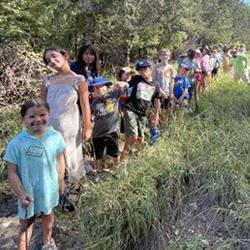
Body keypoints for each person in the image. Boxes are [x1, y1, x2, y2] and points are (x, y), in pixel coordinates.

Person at [3, 98, 66, 250]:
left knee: (48, 214)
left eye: (42, 115)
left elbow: (60, 157)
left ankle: (47, 242)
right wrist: (21, 195)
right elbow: (11, 172)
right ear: (23, 119)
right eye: (32, 116)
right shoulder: (17, 143)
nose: (37, 120)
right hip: (27, 193)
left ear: (49, 115)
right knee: (26, 224)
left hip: (48, 188)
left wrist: (60, 180)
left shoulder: (55, 137)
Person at [41, 46, 91, 202]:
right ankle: (56, 185)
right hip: (50, 123)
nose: (52, 61)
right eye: (48, 60)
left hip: (70, 123)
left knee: (71, 153)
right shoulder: (47, 79)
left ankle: (74, 186)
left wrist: (87, 128)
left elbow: (85, 105)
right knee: (52, 154)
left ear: (65, 55)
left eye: (54, 56)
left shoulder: (78, 79)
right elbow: (42, 104)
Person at [121, 59, 161, 162]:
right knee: (133, 137)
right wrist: (123, 82)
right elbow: (126, 84)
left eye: (144, 69)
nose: (142, 72)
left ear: (150, 69)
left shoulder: (155, 84)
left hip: (142, 113)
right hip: (130, 109)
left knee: (140, 138)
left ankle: (139, 157)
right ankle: (121, 161)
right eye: (140, 70)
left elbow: (156, 102)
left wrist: (155, 117)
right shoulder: (137, 79)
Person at [89, 77, 129, 171]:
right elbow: (90, 116)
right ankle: (98, 172)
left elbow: (127, 86)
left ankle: (116, 172)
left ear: (107, 87)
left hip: (111, 132)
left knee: (115, 154)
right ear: (93, 90)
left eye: (102, 86)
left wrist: (122, 83)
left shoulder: (114, 94)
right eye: (96, 88)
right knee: (98, 156)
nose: (100, 89)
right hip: (97, 134)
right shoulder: (94, 103)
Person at [152, 48, 174, 130]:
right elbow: (153, 80)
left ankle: (164, 127)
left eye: (167, 55)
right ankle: (154, 127)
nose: (165, 57)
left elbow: (172, 80)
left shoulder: (170, 67)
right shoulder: (156, 66)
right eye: (163, 55)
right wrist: (161, 91)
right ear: (160, 56)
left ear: (169, 57)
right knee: (155, 110)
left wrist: (171, 92)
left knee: (165, 110)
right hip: (157, 92)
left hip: (167, 92)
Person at [182, 49, 201, 113]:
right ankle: (184, 107)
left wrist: (197, 70)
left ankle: (188, 106)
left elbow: (200, 70)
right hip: (185, 81)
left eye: (192, 56)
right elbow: (180, 69)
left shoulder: (196, 62)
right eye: (190, 56)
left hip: (192, 81)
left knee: (190, 94)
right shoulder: (184, 61)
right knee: (184, 94)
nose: (191, 57)